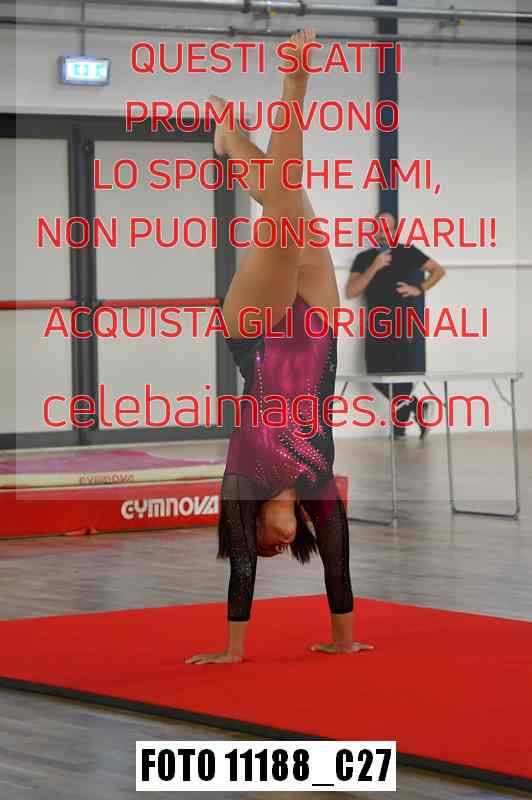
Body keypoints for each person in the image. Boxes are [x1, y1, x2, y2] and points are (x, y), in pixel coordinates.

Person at [186, 29, 373, 665]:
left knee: (285, 215)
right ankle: (233, 140)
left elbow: (240, 571)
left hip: (256, 336)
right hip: (318, 326)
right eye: (277, 550)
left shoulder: (245, 481)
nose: (268, 549)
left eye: (261, 545)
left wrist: (232, 654)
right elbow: (338, 564)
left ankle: (293, 86)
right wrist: (343, 641)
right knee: (293, 204)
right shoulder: (316, 483)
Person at [345, 212, 445, 438]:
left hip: (402, 324)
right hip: (376, 325)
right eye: (379, 228)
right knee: (375, 373)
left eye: (387, 228)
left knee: (401, 375)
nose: (382, 233)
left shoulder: (408, 252)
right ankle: (417, 407)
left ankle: (400, 426)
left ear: (394, 231)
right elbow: (351, 291)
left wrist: (419, 288)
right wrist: (374, 267)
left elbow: (438, 270)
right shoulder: (364, 258)